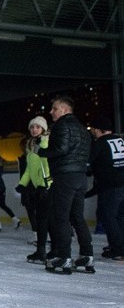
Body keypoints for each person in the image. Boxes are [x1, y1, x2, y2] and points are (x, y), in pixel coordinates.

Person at [38, 96, 93, 274]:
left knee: (60, 216)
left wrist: (43, 152)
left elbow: (61, 149)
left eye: (54, 108)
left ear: (65, 110)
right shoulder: (84, 129)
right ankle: (87, 254)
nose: (51, 111)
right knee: (77, 217)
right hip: (80, 177)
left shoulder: (62, 125)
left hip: (65, 176)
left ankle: (64, 257)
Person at [88, 116, 123, 262]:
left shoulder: (100, 143)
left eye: (93, 130)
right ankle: (119, 246)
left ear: (97, 129)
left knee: (109, 217)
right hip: (121, 184)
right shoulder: (121, 140)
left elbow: (88, 163)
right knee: (120, 217)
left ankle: (118, 249)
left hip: (111, 186)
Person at [18, 117, 53, 264]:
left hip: (47, 187)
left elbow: (47, 166)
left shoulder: (46, 142)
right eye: (32, 127)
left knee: (47, 221)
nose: (34, 129)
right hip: (38, 188)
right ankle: (42, 251)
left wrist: (48, 184)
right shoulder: (31, 145)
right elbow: (29, 169)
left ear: (43, 129)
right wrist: (22, 184)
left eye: (38, 127)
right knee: (42, 220)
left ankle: (47, 251)